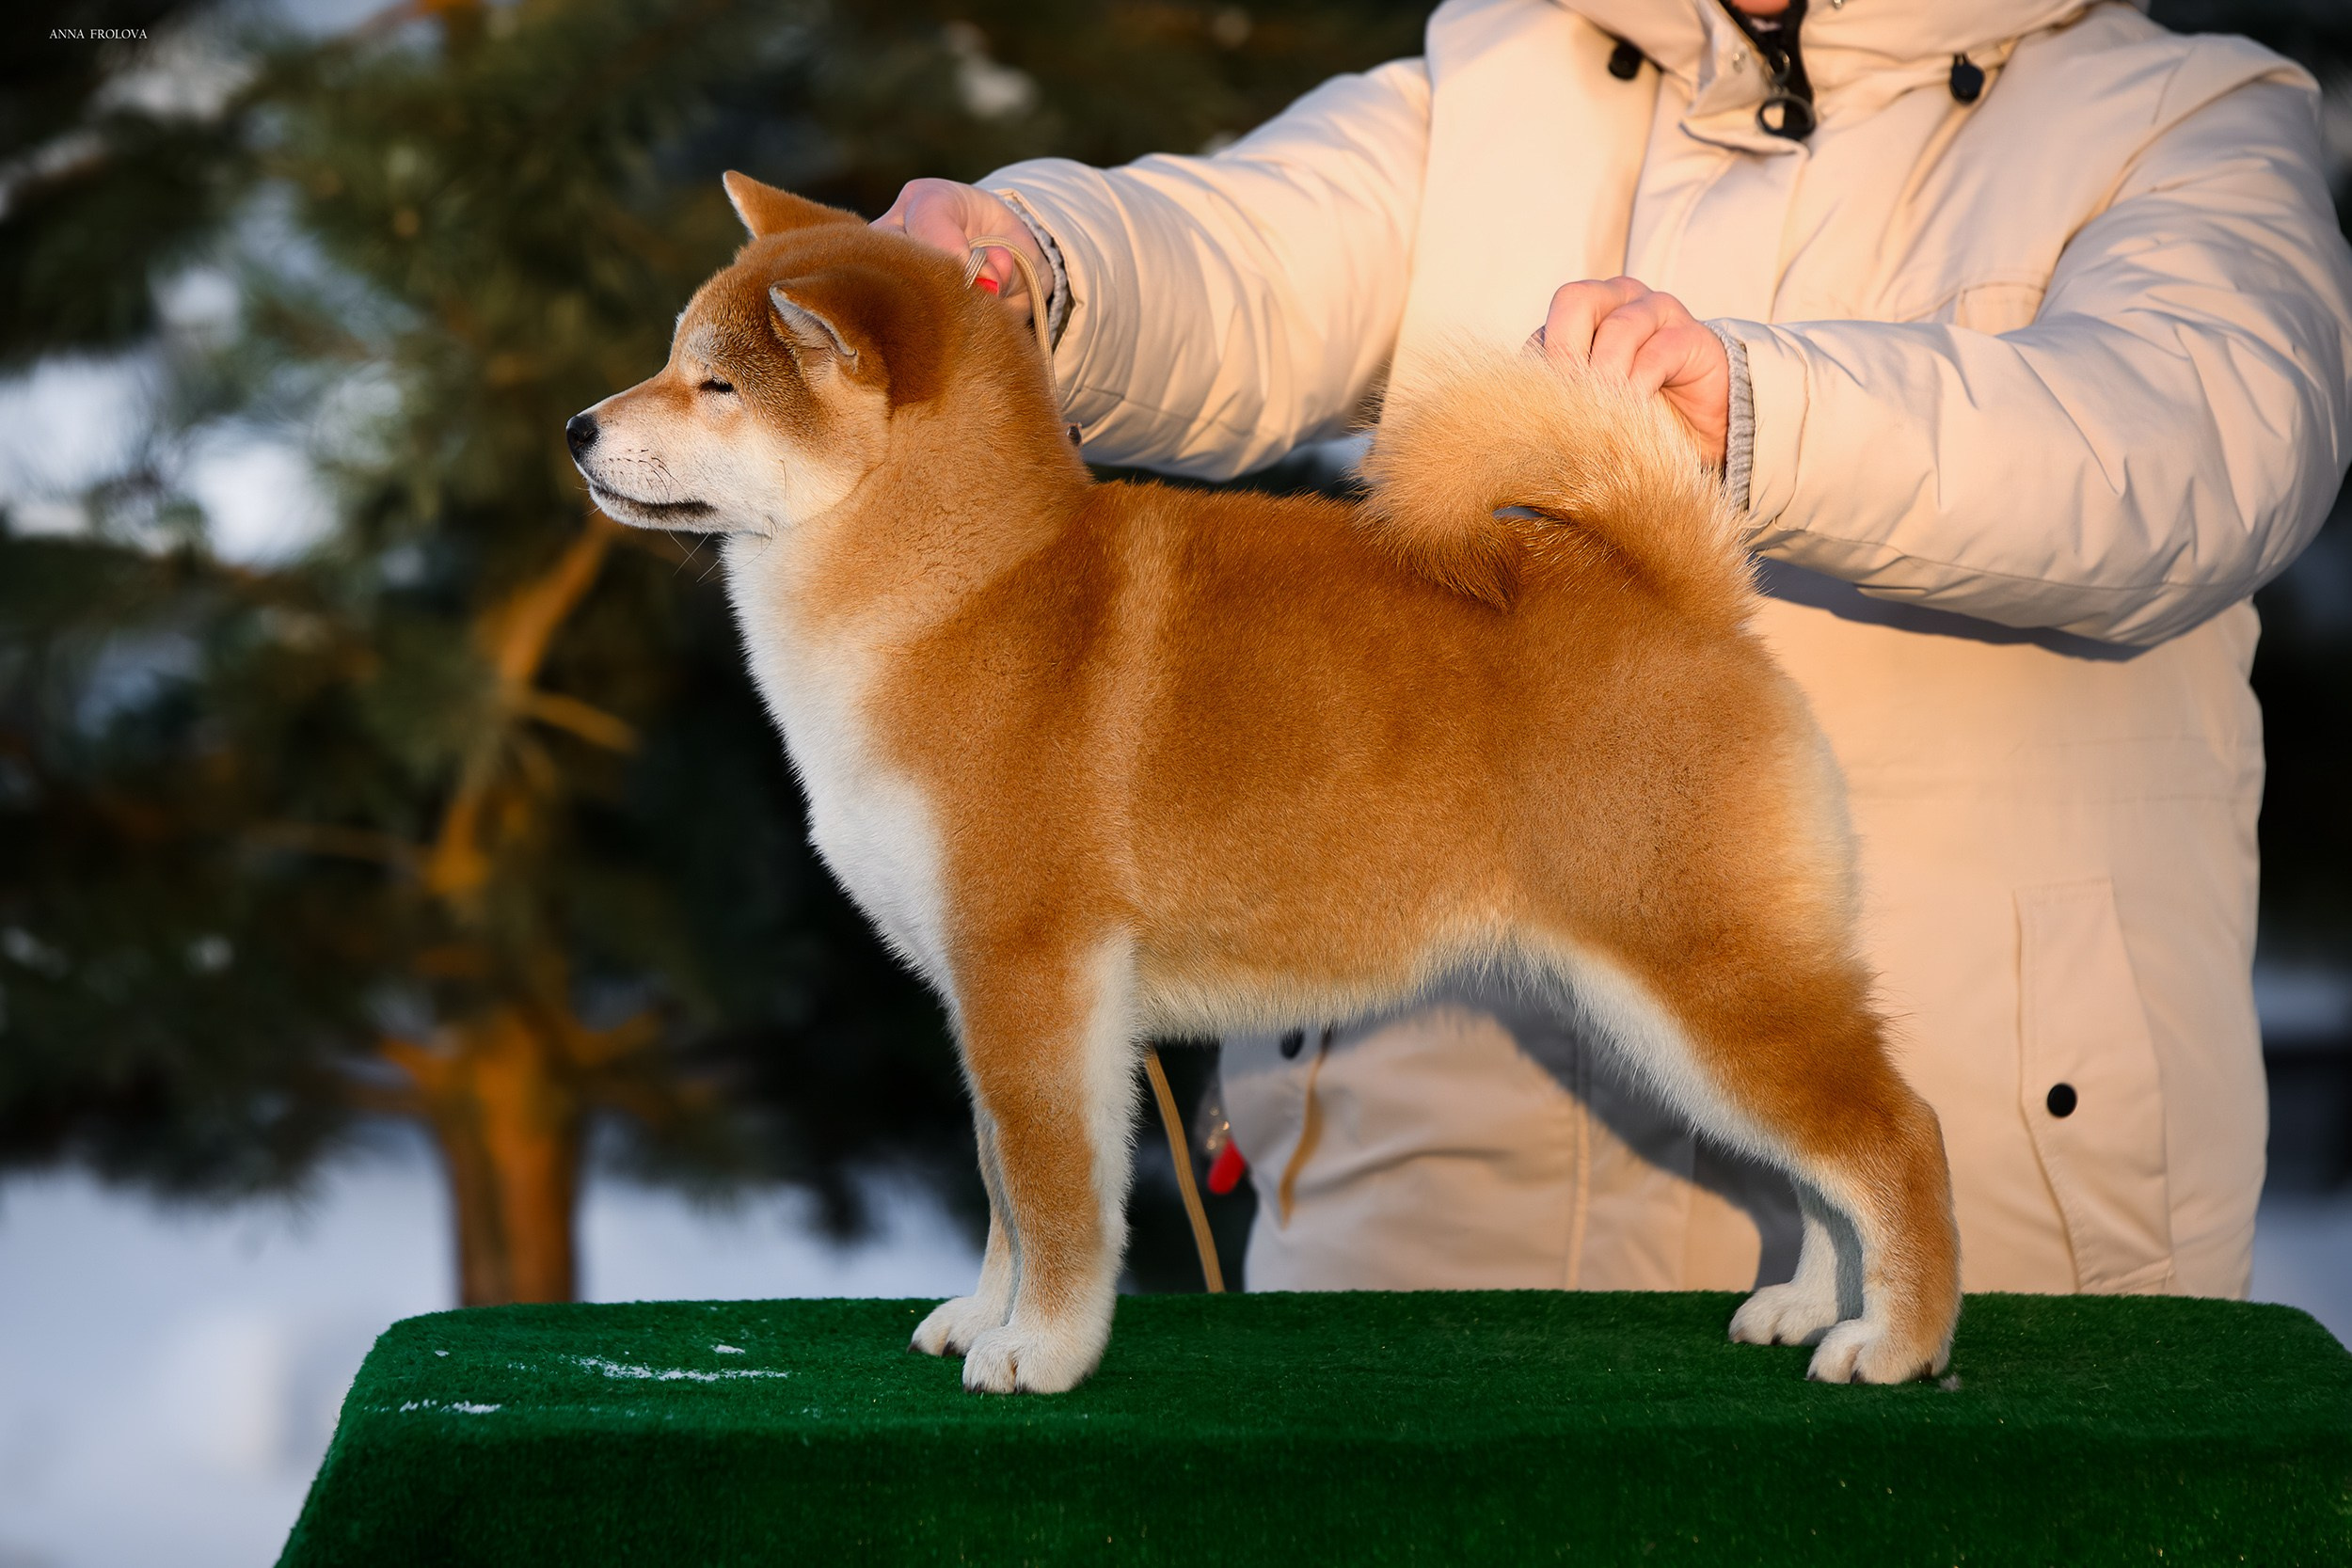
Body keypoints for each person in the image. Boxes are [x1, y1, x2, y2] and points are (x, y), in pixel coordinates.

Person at [873, 0, 2352, 1300]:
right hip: (1448, 1209)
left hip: (2019, 1171)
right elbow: (1245, 255)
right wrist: (1041, 263)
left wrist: (1761, 413)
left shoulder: (2189, 120)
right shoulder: (1491, 78)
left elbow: (2190, 448)